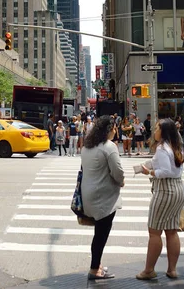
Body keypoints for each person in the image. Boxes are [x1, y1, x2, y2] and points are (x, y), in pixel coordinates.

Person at [137, 119, 184, 281]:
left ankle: (149, 270)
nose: (154, 130)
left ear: (164, 131)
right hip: (178, 188)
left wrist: (150, 173)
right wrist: (149, 165)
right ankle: (172, 269)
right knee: (172, 230)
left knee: (154, 231)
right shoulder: (175, 145)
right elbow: (165, 165)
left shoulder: (162, 148)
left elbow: (165, 171)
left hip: (166, 190)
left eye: (157, 128)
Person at [81, 116, 125, 280]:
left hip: (88, 195)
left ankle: (97, 264)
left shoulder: (87, 146)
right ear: (109, 129)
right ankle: (94, 269)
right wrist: (121, 181)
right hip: (103, 198)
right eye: (114, 128)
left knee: (98, 232)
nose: (116, 131)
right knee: (101, 234)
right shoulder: (109, 147)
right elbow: (118, 172)